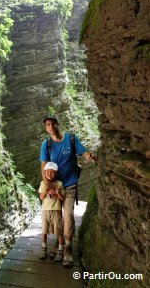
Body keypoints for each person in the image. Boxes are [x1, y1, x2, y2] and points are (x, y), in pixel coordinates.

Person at [39, 114, 98, 267]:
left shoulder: (70, 139)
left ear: (58, 124)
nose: (50, 127)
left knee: (69, 216)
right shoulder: (46, 145)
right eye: (47, 125)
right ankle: (59, 247)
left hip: (70, 185)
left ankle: (68, 249)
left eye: (52, 124)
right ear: (46, 128)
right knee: (56, 218)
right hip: (55, 187)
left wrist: (90, 157)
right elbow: (44, 166)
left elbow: (83, 152)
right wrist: (48, 187)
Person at [38, 161, 65, 263]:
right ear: (45, 173)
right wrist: (46, 190)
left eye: (52, 172)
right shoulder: (43, 183)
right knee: (44, 230)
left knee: (59, 231)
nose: (50, 174)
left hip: (56, 211)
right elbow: (41, 197)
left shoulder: (59, 184)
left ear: (56, 173)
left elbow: (62, 198)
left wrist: (56, 194)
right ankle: (43, 249)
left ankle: (60, 251)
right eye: (48, 172)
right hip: (45, 211)